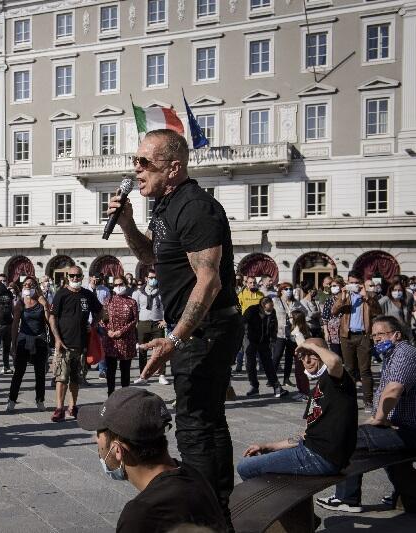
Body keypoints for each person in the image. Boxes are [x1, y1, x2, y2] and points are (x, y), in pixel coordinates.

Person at [108, 128, 242, 523]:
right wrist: (128, 224)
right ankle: (215, 504)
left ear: (174, 167)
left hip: (207, 329)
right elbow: (151, 256)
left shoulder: (196, 207)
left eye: (145, 163)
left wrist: (175, 339)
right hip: (197, 330)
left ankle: (205, 512)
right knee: (204, 417)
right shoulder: (166, 206)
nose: (136, 170)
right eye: (135, 161)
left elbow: (210, 280)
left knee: (195, 422)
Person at [77, 388, 227, 533]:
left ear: (118, 450)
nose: (95, 440)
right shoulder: (192, 475)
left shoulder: (143, 515)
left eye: (98, 434)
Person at [317, 315, 416, 513]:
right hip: (400, 425)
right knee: (387, 451)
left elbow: (393, 390)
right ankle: (410, 495)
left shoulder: (405, 353)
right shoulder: (393, 354)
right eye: (373, 335)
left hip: (409, 430)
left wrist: (377, 419)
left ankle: (347, 498)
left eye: (380, 334)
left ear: (396, 335)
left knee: (351, 438)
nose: (376, 339)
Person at [237, 338, 357, 480]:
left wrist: (309, 345)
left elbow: (335, 362)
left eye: (312, 354)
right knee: (258, 458)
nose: (306, 360)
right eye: (302, 356)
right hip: (312, 452)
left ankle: (270, 502)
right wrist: (268, 446)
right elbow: (306, 434)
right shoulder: (317, 389)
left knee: (245, 467)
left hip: (321, 457)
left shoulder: (336, 380)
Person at [49, 265, 103, 423]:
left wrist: (93, 325)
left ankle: (72, 407)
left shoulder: (87, 294)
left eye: (77, 276)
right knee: (61, 377)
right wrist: (57, 338)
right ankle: (59, 408)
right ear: (67, 277)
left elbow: (101, 311)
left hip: (81, 344)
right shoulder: (61, 294)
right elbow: (52, 317)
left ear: (82, 276)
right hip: (64, 344)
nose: (75, 279)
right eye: (72, 276)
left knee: (76, 379)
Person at [332, 270, 382, 413]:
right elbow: (334, 312)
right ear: (347, 282)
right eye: (351, 282)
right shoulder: (344, 296)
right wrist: (342, 297)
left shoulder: (369, 296)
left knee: (365, 370)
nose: (353, 285)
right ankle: (350, 400)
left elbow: (378, 311)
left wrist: (366, 297)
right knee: (349, 370)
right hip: (346, 336)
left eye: (356, 283)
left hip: (363, 336)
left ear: (361, 284)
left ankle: (368, 402)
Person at [6, 276, 51, 413]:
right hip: (24, 339)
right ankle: (12, 400)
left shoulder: (41, 301)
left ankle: (40, 400)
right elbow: (15, 325)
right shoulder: (20, 303)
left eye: (31, 284)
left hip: (40, 340)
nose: (27, 286)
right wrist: (13, 345)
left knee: (40, 373)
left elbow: (49, 320)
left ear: (36, 287)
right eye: (25, 284)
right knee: (19, 372)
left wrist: (45, 306)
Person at [100, 275, 139, 396]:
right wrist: (108, 331)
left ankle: (124, 396)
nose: (118, 287)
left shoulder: (132, 302)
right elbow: (102, 320)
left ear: (126, 284)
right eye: (116, 285)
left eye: (121, 284)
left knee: (125, 370)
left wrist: (120, 332)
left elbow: (134, 321)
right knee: (110, 371)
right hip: (111, 340)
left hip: (126, 340)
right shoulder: (108, 302)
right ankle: (110, 395)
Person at [242, 297, 283, 397]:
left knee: (268, 363)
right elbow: (243, 322)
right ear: (263, 305)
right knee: (250, 363)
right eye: (269, 307)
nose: (271, 309)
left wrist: (273, 339)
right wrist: (245, 336)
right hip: (250, 340)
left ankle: (276, 386)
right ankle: (254, 386)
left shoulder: (272, 311)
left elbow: (274, 326)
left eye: (272, 306)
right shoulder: (252, 310)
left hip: (264, 341)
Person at [132, 271, 168, 384]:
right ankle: (143, 376)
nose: (153, 279)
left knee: (160, 350)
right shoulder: (138, 293)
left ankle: (161, 374)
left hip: (158, 323)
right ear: (146, 278)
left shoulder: (162, 292)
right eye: (151, 277)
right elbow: (135, 309)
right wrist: (136, 322)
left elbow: (166, 307)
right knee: (142, 350)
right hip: (143, 323)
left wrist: (165, 320)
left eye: (155, 277)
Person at [0, 274, 14, 377]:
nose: (2, 282)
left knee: (6, 347)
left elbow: (12, 306)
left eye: (4, 280)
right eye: (0, 280)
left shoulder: (9, 292)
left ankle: (6, 367)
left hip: (8, 323)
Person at [289, 309, 313, 400]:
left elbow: (303, 345)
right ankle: (300, 391)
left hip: (301, 356)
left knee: (302, 375)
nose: (289, 319)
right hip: (298, 356)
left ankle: (305, 393)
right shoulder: (296, 329)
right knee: (298, 374)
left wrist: (299, 353)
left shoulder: (298, 332)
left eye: (291, 317)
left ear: (296, 319)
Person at [321, 277, 344, 355]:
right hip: (333, 331)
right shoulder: (329, 300)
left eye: (335, 286)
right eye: (331, 286)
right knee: (335, 353)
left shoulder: (346, 299)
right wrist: (326, 332)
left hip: (344, 330)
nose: (332, 288)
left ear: (341, 286)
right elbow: (325, 317)